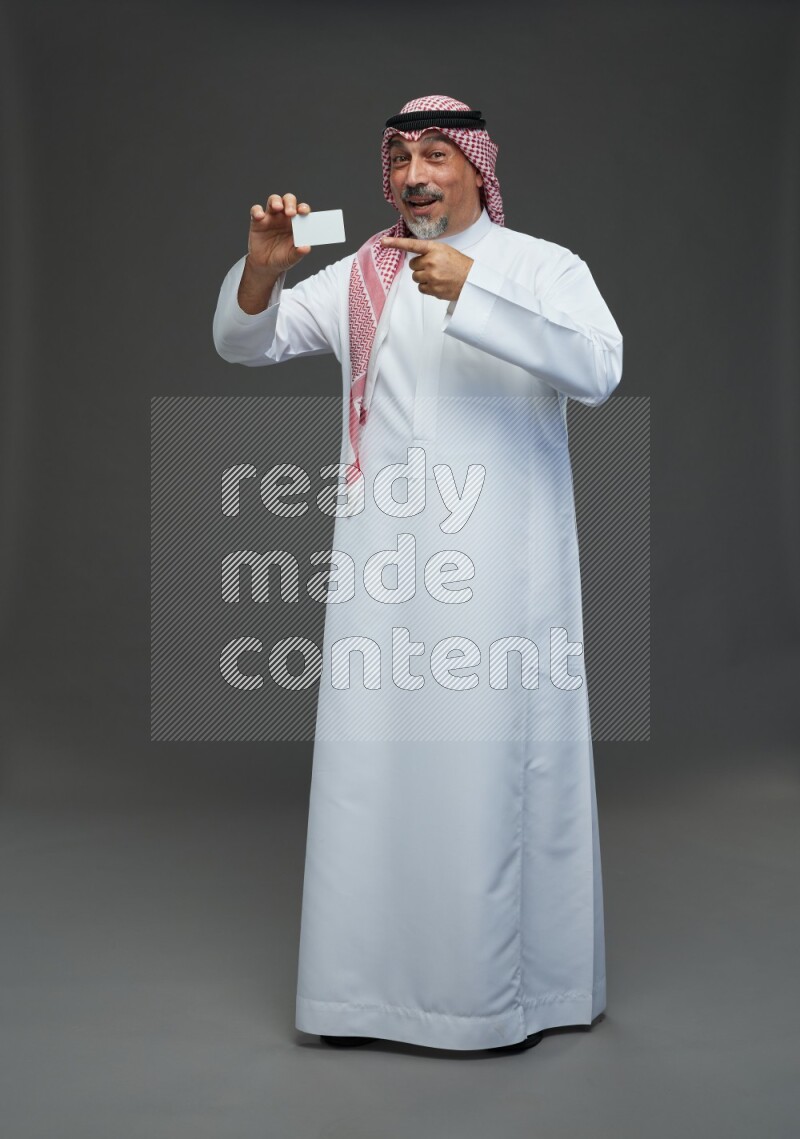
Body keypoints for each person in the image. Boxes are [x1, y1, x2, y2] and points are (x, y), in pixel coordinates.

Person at [213, 95, 623, 1054]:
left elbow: (599, 370)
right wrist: (261, 277)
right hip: (380, 568)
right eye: (400, 157)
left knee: (483, 772)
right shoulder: (363, 269)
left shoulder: (541, 264)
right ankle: (364, 998)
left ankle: (492, 1000)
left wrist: (473, 292)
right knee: (373, 770)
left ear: (479, 166)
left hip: (497, 574)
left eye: (436, 154)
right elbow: (246, 344)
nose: (414, 174)